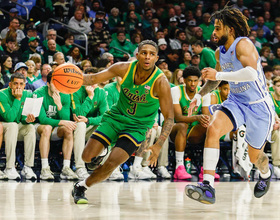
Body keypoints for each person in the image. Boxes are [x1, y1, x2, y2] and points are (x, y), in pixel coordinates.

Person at [185, 5, 275, 204]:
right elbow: (216, 80)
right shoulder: (219, 53)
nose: (213, 33)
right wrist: (199, 95)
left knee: (254, 157)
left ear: (230, 29)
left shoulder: (244, 45)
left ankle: (266, 173)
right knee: (214, 128)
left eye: (217, 28)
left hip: (258, 106)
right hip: (236, 101)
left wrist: (219, 74)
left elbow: (251, 74)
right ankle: (207, 186)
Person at [72, 40, 174, 204]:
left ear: (156, 58)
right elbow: (92, 78)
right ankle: (102, 152)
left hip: (137, 127)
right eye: (144, 53)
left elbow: (169, 117)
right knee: (86, 157)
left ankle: (82, 186)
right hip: (116, 118)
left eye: (152, 54)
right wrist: (69, 77)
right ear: (137, 55)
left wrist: (159, 144)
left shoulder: (161, 82)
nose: (147, 57)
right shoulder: (123, 68)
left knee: (113, 163)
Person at [34, 71, 78, 180]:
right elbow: (42, 119)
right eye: (55, 83)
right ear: (48, 84)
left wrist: (59, 106)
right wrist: (61, 122)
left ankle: (66, 168)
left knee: (68, 129)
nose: (58, 86)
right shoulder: (38, 93)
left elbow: (66, 120)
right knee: (47, 128)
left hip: (56, 129)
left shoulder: (65, 94)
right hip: (39, 128)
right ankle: (45, 168)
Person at [170, 66, 211, 180]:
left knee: (207, 126)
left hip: (193, 132)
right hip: (175, 130)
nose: (193, 84)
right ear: (184, 79)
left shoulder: (204, 93)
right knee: (182, 125)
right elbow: (178, 118)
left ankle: (206, 169)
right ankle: (179, 167)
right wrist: (197, 118)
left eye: (195, 81)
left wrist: (203, 119)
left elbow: (206, 117)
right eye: (189, 80)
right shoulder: (175, 91)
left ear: (199, 80)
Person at [0, 72, 37, 180]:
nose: (18, 87)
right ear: (10, 84)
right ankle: (10, 167)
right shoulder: (2, 94)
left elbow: (22, 119)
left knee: (30, 128)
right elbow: (9, 117)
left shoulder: (27, 95)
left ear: (25, 85)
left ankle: (28, 167)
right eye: (15, 84)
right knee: (12, 125)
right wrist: (17, 99)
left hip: (15, 128)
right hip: (4, 126)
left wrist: (28, 120)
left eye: (21, 84)